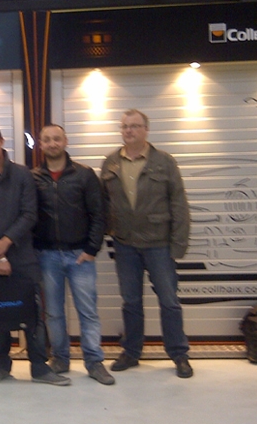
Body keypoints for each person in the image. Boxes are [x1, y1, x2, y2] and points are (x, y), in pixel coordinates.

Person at [0, 124, 71, 386]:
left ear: (2, 141)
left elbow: (29, 214)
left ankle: (39, 367)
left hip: (23, 257)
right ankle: (1, 365)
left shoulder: (23, 175)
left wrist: (6, 242)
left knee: (33, 314)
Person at [101, 109, 193, 378]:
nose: (129, 131)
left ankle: (179, 354)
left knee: (169, 302)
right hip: (125, 244)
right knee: (130, 302)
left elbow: (179, 204)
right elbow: (103, 203)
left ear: (146, 129)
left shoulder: (164, 162)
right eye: (125, 126)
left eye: (135, 126)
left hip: (158, 245)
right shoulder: (110, 163)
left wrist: (178, 245)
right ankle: (131, 352)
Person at [32, 125, 114, 385]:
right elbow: (29, 216)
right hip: (47, 255)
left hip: (80, 255)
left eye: (57, 139)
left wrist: (91, 249)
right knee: (53, 313)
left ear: (65, 141)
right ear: (40, 145)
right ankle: (60, 358)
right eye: (47, 140)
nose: (52, 143)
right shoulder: (34, 177)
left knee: (87, 312)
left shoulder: (84, 174)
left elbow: (99, 214)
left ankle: (94, 361)